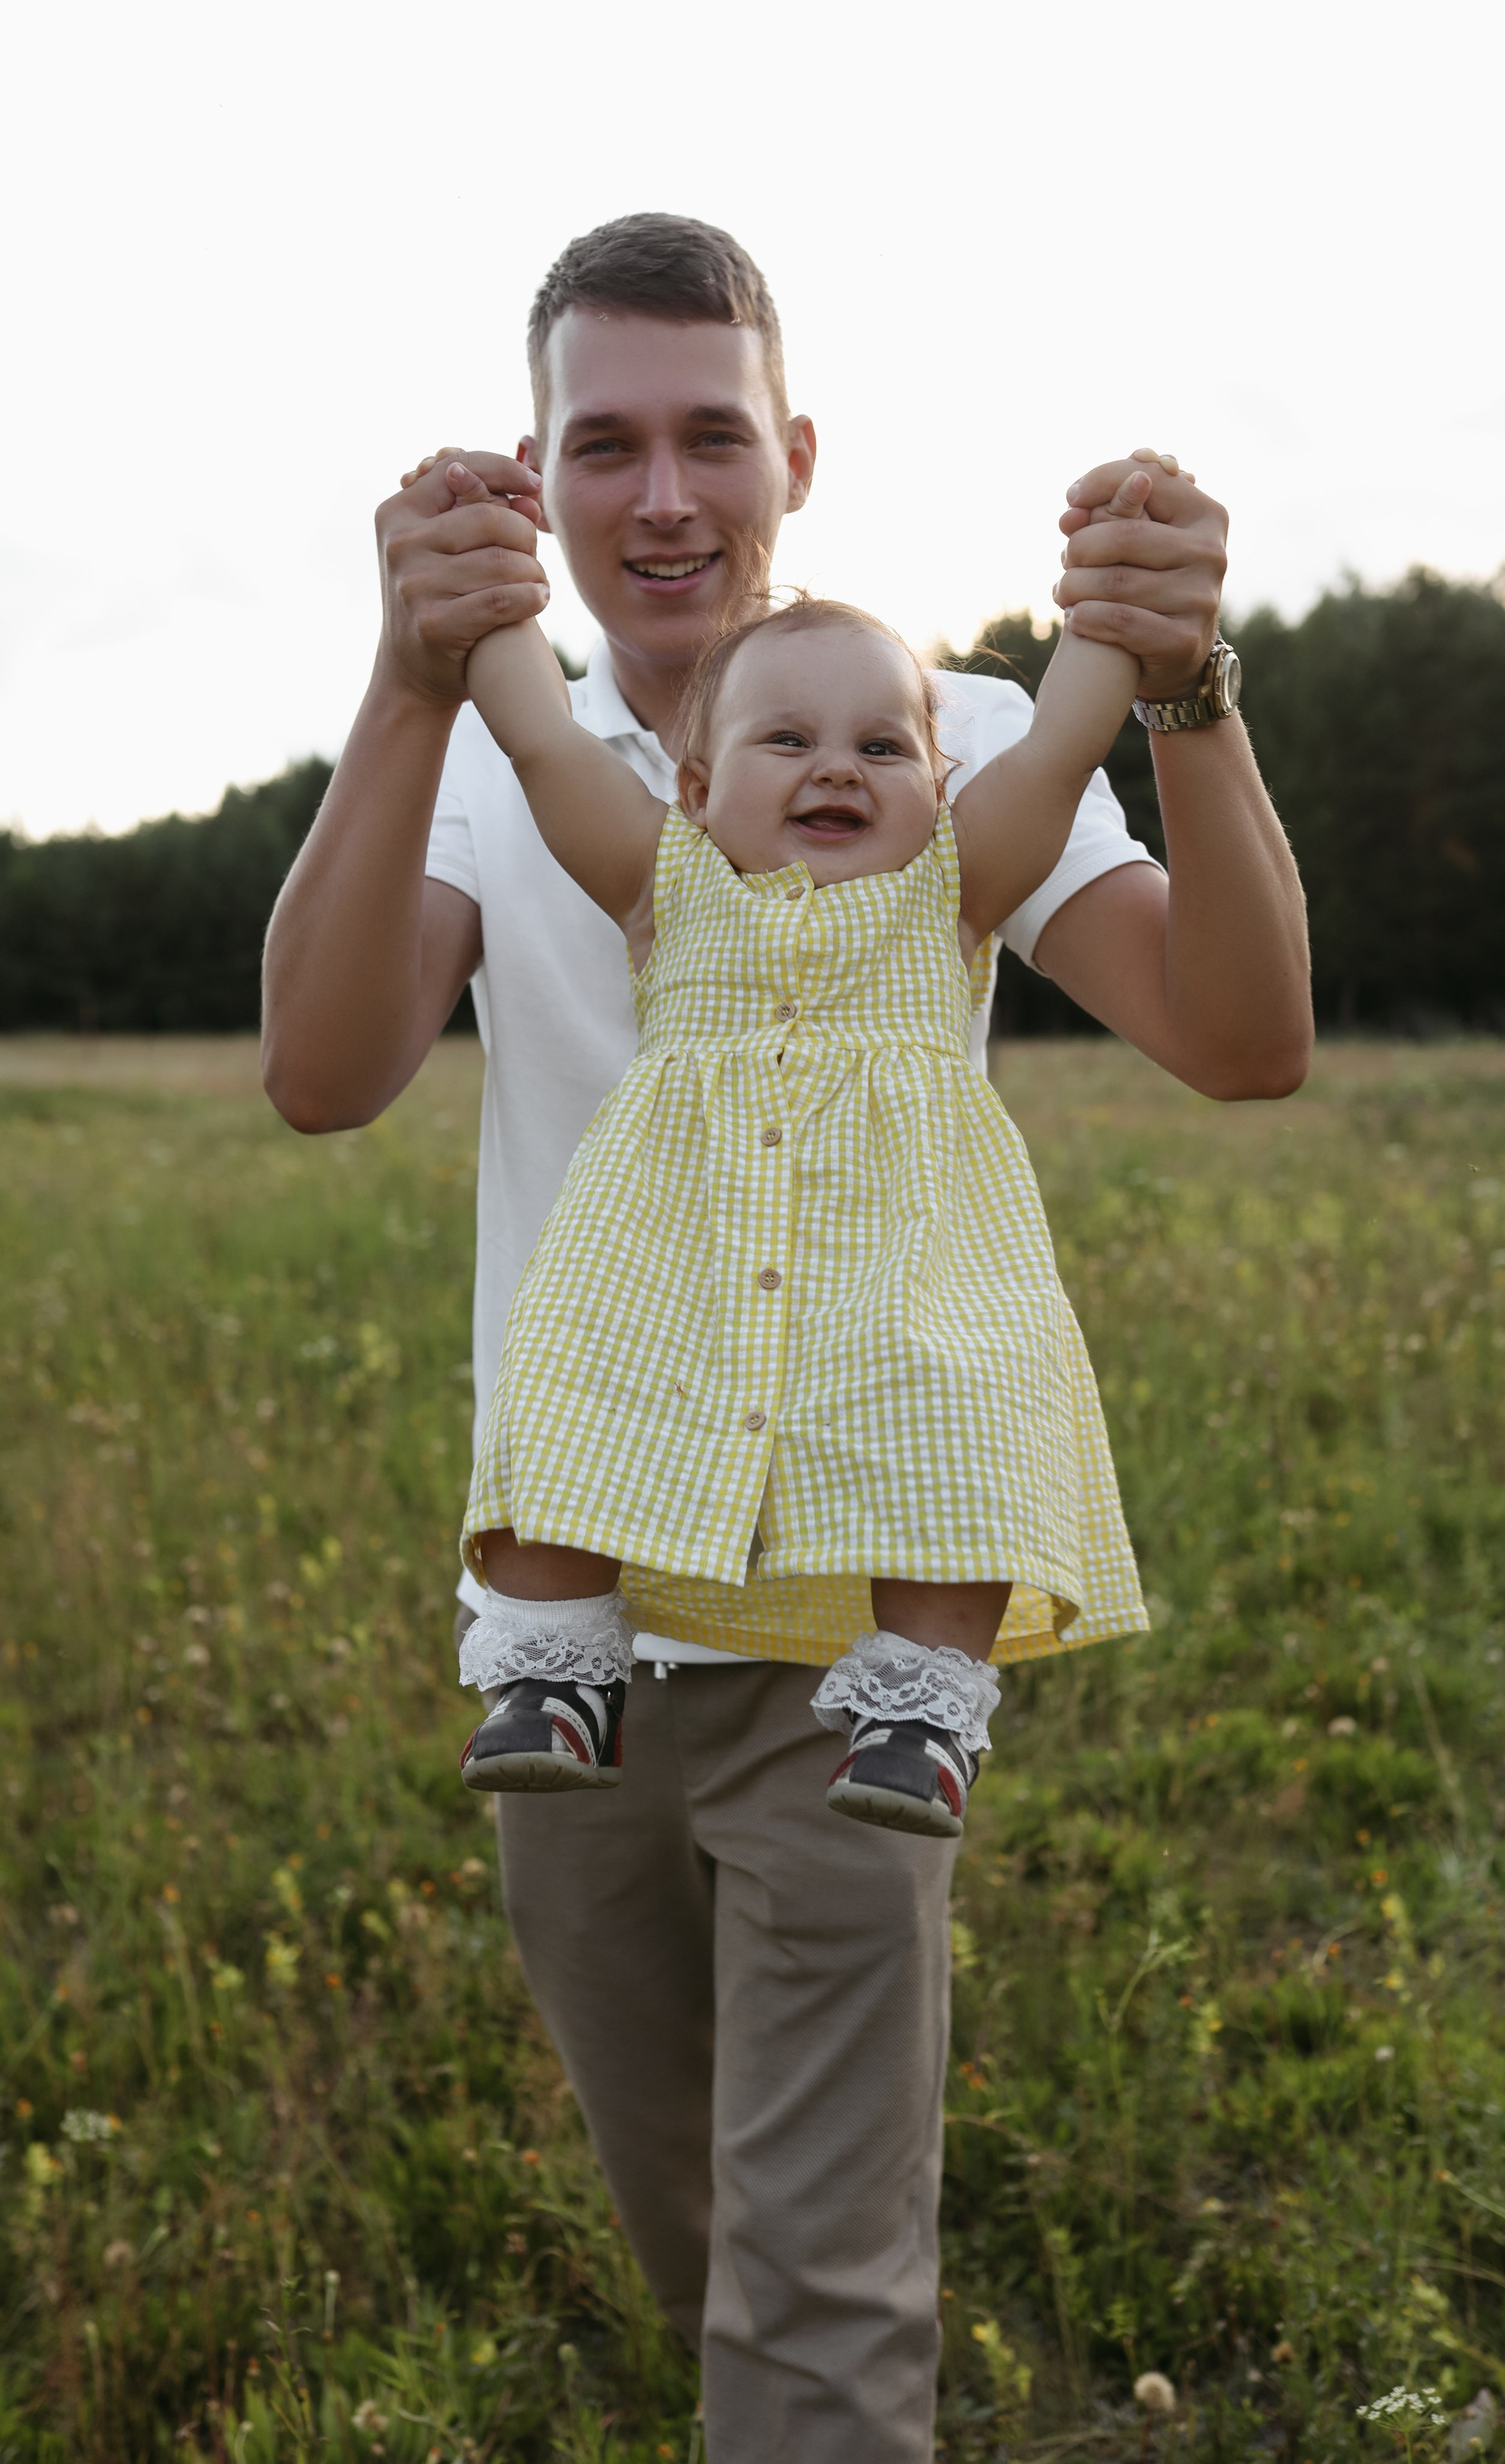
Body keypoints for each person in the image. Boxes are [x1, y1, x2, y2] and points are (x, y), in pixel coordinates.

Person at [262, 216, 1309, 2463]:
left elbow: (1243, 1039)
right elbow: (323, 1076)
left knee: (817, 2293)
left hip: (853, 1631)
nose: (663, 496)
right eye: (603, 445)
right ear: (538, 476)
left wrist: (1185, 684)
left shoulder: (948, 738)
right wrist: (411, 673)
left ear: (795, 453)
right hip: (573, 1634)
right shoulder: (506, 761)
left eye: (711, 437)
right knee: (695, 2223)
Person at [453, 579, 1150, 1833]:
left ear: (939, 789)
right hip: (668, 1268)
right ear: (694, 789)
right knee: (570, 1391)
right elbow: (542, 738)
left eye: (882, 748)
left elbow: (1058, 748)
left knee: (953, 1433)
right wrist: (489, 581)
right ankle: (555, 1676)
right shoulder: (661, 884)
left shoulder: (952, 891)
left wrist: (1113, 591)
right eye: (786, 740)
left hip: (901, 1274)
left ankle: (921, 1710)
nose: (836, 767)